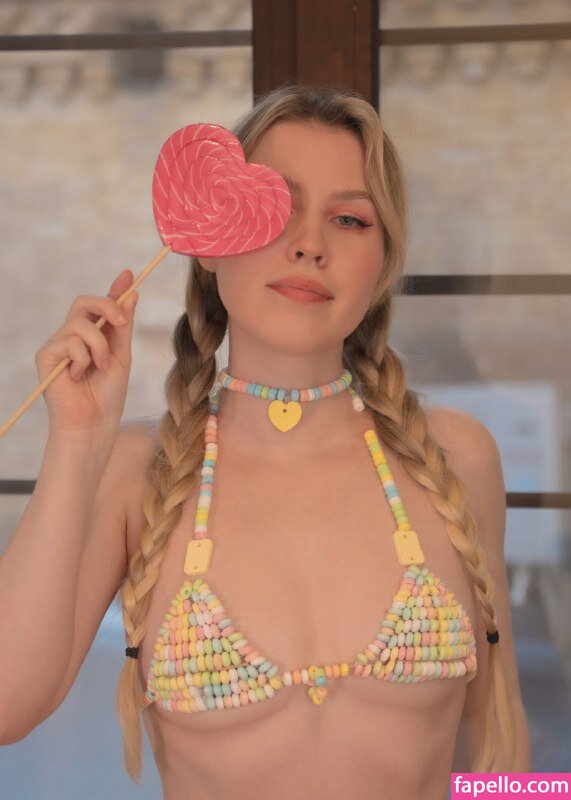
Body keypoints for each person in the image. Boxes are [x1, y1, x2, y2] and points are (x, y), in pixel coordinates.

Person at [0, 84, 530, 799]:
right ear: (209, 245)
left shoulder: (458, 457)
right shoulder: (134, 469)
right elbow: (6, 706)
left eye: (349, 219)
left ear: (382, 266)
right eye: (276, 207)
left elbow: (499, 740)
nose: (310, 244)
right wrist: (76, 438)